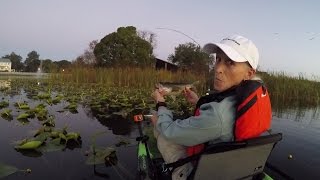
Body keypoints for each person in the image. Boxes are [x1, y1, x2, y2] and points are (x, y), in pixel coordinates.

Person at [151, 34, 260, 180]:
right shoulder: (252, 99)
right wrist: (198, 102)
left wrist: (161, 104)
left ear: (249, 73)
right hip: (235, 170)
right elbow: (224, 118)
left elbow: (170, 131)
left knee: (162, 131)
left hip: (203, 174)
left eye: (230, 63)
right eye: (218, 59)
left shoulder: (217, 116)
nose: (218, 69)